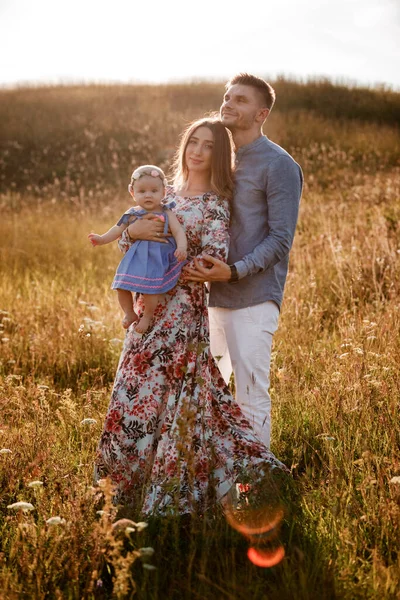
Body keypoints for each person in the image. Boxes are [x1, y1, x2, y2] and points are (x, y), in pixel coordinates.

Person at [94, 117, 287, 516]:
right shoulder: (164, 195)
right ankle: (121, 487)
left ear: (219, 155)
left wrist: (180, 264)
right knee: (134, 388)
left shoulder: (216, 202)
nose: (197, 151)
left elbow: (211, 256)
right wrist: (132, 236)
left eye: (208, 146)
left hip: (182, 310)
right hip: (146, 307)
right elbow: (130, 245)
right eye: (193, 142)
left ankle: (175, 484)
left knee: (172, 394)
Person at [185, 73, 303, 450]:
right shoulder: (222, 159)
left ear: (261, 113)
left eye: (240, 100)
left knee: (250, 394)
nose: (228, 104)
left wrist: (233, 271)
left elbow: (281, 239)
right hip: (209, 297)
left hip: (253, 297)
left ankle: (256, 487)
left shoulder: (278, 164)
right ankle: (214, 481)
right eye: (226, 96)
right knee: (206, 392)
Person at [88, 165, 187, 334]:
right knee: (121, 285)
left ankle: (147, 316)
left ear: (164, 192)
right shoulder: (132, 213)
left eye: (154, 191)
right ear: (132, 192)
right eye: (142, 191)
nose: (148, 195)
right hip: (137, 257)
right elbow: (117, 230)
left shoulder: (166, 212)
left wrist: (182, 247)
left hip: (158, 256)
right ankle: (129, 313)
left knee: (150, 288)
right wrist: (101, 239)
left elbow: (178, 231)